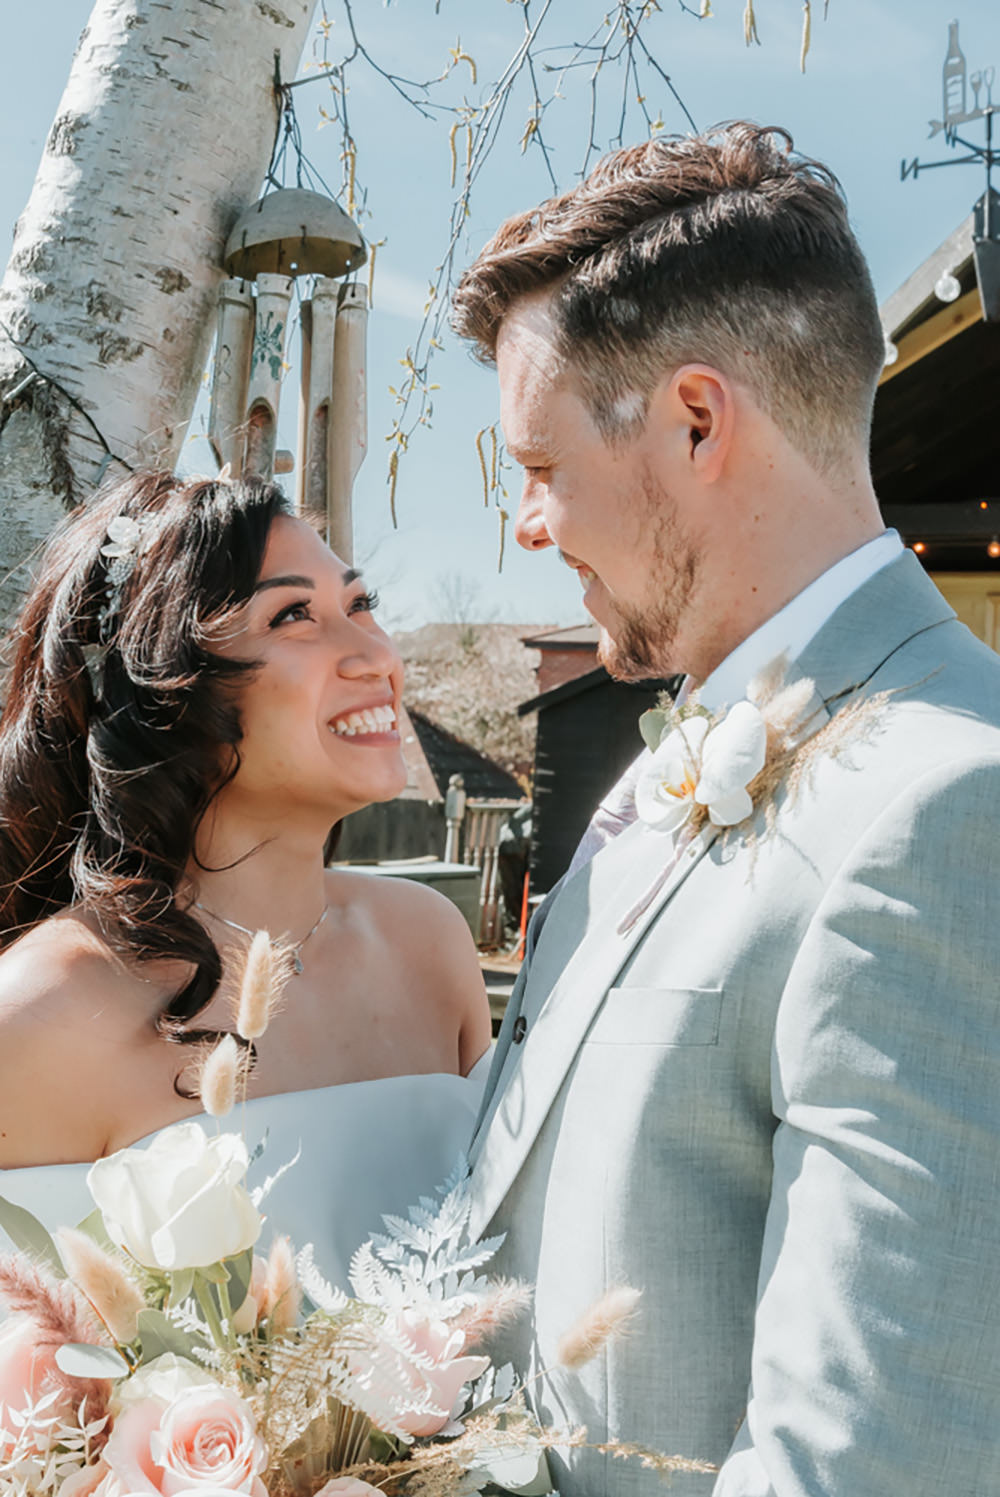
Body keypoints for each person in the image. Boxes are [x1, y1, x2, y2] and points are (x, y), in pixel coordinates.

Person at [451, 122, 1000, 1496]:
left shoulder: (947, 808)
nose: (527, 522)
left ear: (697, 419)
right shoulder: (669, 761)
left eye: (540, 463)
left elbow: (868, 1467)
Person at [0, 470, 491, 1284]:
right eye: (293, 614)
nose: (375, 656)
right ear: (166, 687)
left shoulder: (432, 943)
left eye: (361, 605)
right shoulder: (43, 1013)